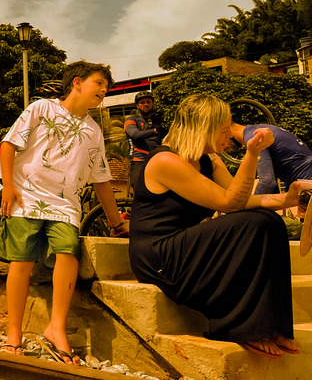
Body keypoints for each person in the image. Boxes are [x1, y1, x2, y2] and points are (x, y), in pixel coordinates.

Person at [130, 95, 306, 359]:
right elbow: (230, 202)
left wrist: (288, 199)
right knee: (255, 222)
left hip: (186, 245)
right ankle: (241, 327)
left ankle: (271, 325)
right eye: (223, 130)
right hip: (159, 256)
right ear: (204, 128)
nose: (228, 137)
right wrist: (252, 154)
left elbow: (241, 198)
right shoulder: (165, 161)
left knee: (269, 221)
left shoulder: (209, 160)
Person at [0, 61, 126, 364]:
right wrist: (8, 186)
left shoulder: (94, 131)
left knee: (68, 253)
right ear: (77, 83)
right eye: (99, 84)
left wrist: (116, 222)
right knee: (22, 260)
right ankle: (14, 333)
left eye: (106, 88)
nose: (104, 91)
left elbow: (101, 179)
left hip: (65, 204)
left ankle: (56, 328)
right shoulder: (41, 108)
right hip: (25, 195)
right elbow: (9, 144)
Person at [228, 122, 312, 195]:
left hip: (306, 180)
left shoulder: (255, 137)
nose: (224, 148)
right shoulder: (259, 129)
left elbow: (267, 182)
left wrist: (249, 205)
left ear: (227, 129)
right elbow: (272, 186)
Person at [125, 91, 163, 190]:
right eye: (142, 102)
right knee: (139, 189)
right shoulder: (132, 120)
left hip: (157, 160)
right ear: (137, 106)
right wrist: (155, 131)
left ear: (152, 104)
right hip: (139, 160)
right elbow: (135, 135)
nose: (146, 104)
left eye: (148, 102)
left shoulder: (158, 120)